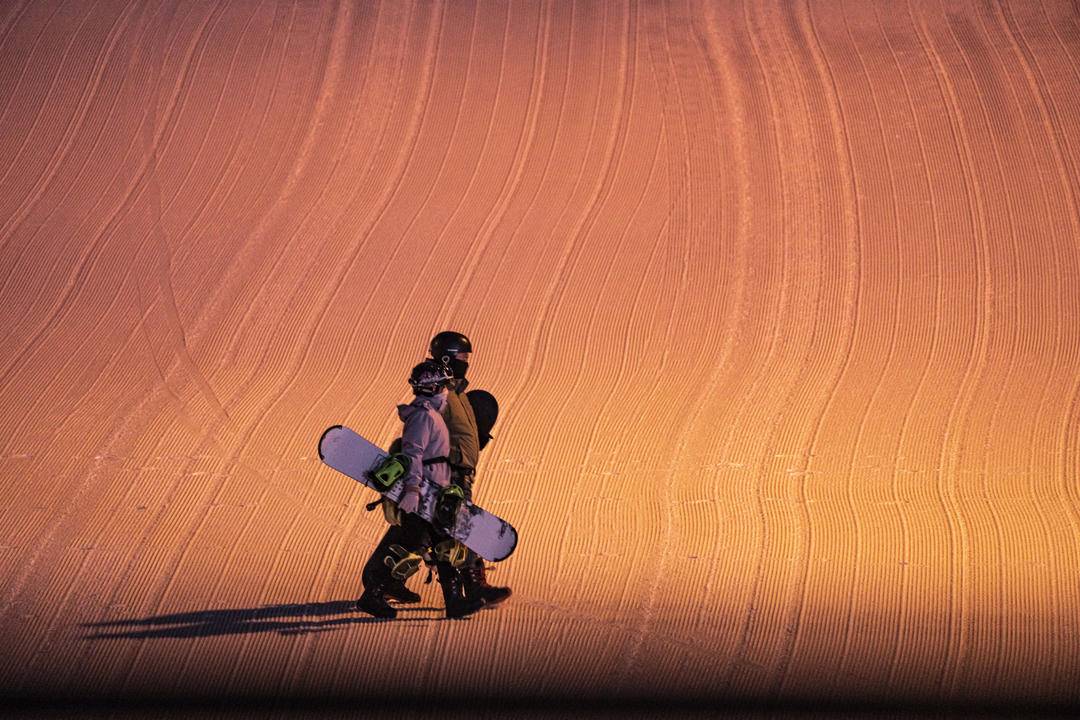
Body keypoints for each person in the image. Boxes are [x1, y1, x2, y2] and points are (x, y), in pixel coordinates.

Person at [356, 360, 484, 620]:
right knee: (409, 543)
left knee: (442, 545)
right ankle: (373, 593)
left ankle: (454, 602)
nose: (447, 391)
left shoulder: (431, 415)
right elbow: (413, 454)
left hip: (435, 492)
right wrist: (413, 489)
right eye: (444, 386)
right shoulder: (424, 417)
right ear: (433, 387)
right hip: (424, 494)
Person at [429, 331, 511, 607]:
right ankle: (461, 594)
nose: (466, 361)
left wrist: (477, 439)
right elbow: (432, 430)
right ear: (447, 358)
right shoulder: (441, 392)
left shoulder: (457, 390)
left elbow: (463, 428)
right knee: (453, 528)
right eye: (462, 356)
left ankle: (473, 587)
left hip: (462, 469)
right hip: (448, 471)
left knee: (464, 526)